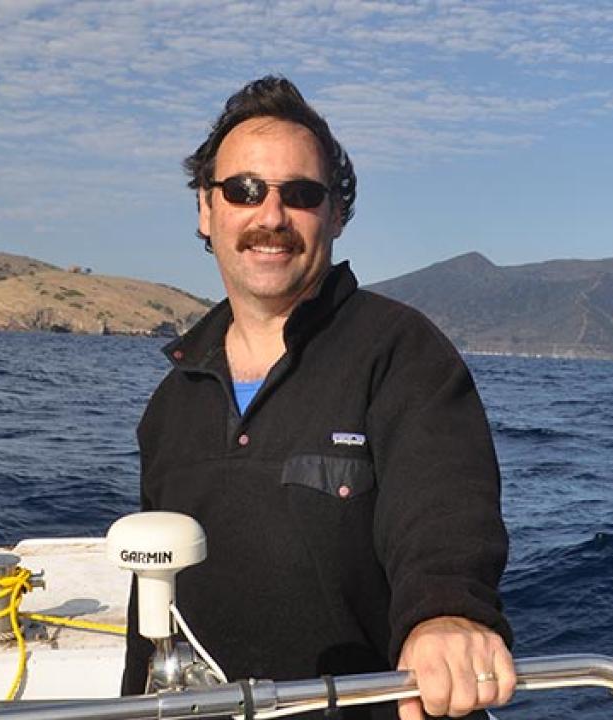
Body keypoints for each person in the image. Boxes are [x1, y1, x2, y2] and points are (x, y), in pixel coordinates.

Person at [120, 76, 515, 720]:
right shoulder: (173, 400)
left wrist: (445, 614)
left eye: (300, 194)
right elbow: (153, 617)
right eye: (244, 190)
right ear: (206, 208)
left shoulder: (399, 352)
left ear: (335, 214)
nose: (270, 217)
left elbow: (442, 510)